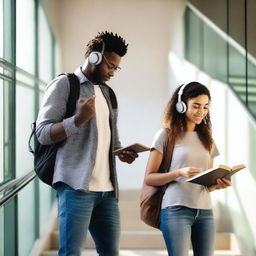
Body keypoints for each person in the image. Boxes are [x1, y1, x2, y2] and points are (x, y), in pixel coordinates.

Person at [36, 31, 138, 256]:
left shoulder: (108, 93)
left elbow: (112, 140)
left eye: (116, 68)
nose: (113, 72)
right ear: (94, 57)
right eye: (110, 66)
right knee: (71, 252)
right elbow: (42, 133)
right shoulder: (65, 84)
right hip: (75, 187)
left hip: (108, 191)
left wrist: (121, 153)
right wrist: (78, 119)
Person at [144, 82, 231, 256]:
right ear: (181, 105)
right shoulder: (165, 135)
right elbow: (149, 178)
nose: (201, 111)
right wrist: (179, 173)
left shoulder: (208, 140)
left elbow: (206, 184)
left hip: (205, 211)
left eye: (205, 107)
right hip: (176, 209)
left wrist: (218, 184)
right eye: (196, 106)